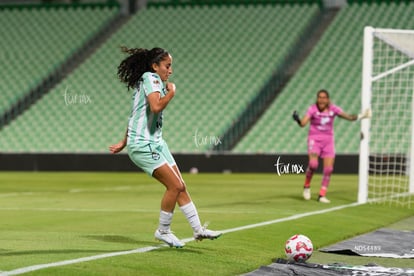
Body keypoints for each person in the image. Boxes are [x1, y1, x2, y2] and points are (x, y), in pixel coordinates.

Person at [109, 47, 222, 248]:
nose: (170, 71)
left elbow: (135, 114)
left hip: (157, 143)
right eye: (167, 66)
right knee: (175, 186)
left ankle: (198, 230)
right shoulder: (150, 78)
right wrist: (172, 93)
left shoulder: (153, 82)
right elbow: (156, 107)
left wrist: (123, 141)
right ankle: (163, 231)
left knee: (181, 186)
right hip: (144, 145)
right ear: (155, 66)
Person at [292, 89, 370, 203]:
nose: (321, 100)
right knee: (313, 164)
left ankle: (322, 195)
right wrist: (297, 119)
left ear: (328, 99)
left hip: (328, 141)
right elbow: (303, 124)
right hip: (314, 140)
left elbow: (349, 117)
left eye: (324, 97)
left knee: (328, 169)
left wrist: (362, 116)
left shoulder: (334, 109)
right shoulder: (312, 109)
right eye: (319, 97)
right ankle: (306, 186)